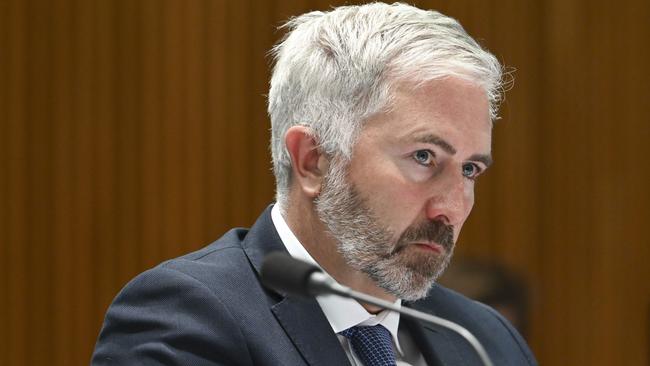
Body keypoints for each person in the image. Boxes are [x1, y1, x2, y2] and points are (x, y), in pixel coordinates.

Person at [92, 3, 537, 365]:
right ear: (313, 159)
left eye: (470, 170)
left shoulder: (486, 341)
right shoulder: (186, 316)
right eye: (424, 157)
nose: (452, 208)